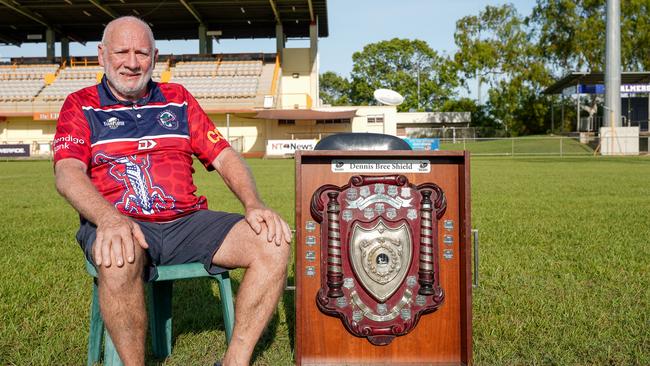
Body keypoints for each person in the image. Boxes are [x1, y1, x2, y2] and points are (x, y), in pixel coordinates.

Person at [53, 16, 291, 366]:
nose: (132, 63)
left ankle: (234, 360)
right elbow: (67, 172)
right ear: (102, 55)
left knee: (273, 242)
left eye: (142, 53)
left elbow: (225, 158)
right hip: (122, 220)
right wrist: (108, 219)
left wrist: (253, 203)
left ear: (156, 56)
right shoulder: (80, 104)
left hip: (186, 221)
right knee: (120, 257)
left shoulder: (177, 98)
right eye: (121, 51)